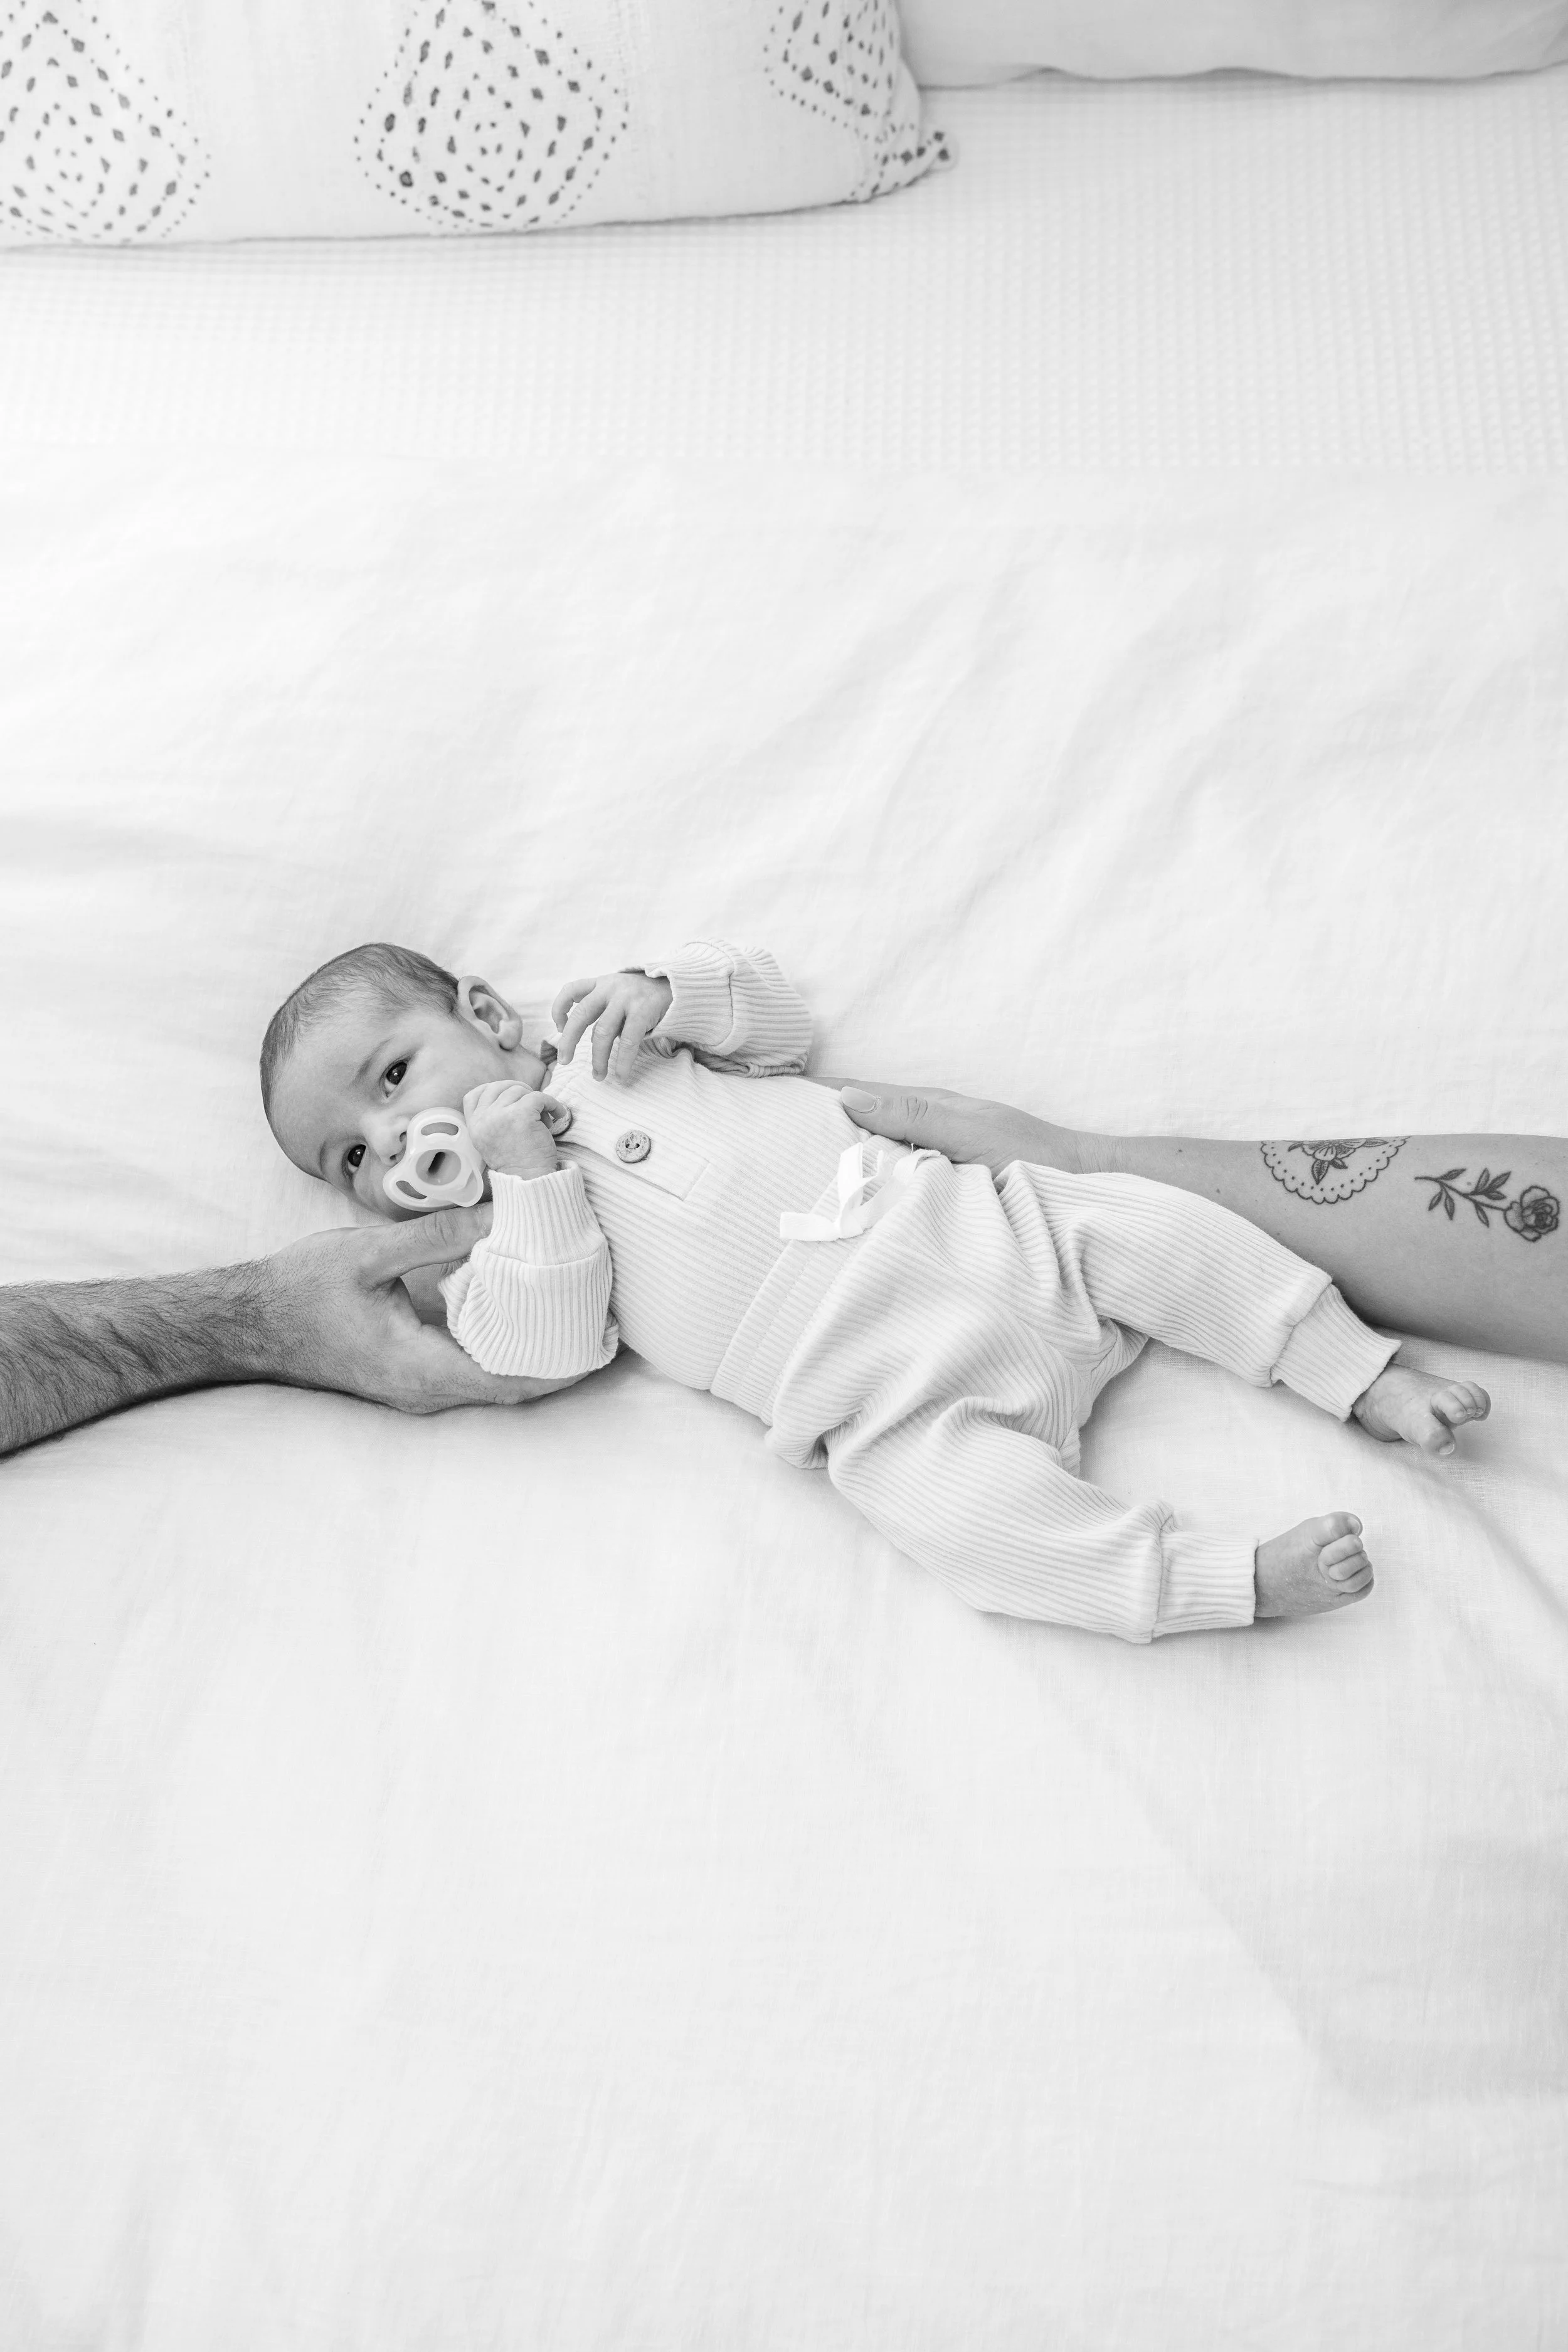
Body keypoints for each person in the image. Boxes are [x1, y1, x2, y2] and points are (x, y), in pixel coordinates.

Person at [258, 936, 1493, 1646]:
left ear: (484, 1013)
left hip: (983, 1231)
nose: (395, 1137)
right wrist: (525, 1185)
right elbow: (554, 1347)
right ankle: (1218, 1585)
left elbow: (779, 1025)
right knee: (971, 1533)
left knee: (1161, 1233)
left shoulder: (605, 1047)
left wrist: (669, 992)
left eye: (392, 1074)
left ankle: (1362, 1376)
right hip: (883, 1402)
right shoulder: (488, 1264)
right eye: (352, 1160)